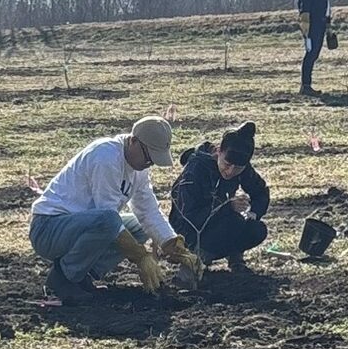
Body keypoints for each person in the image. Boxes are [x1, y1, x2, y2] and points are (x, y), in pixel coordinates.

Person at [29, 116, 204, 305]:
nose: (149, 164)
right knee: (110, 221)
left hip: (78, 227)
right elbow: (107, 216)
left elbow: (148, 211)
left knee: (138, 227)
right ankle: (62, 279)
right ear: (134, 141)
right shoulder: (105, 156)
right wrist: (140, 256)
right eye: (148, 157)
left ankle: (84, 275)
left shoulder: (139, 169)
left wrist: (172, 245)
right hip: (48, 229)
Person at [169, 122, 270, 274]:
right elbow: (188, 217)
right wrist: (227, 206)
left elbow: (260, 192)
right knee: (234, 223)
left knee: (256, 229)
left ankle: (235, 256)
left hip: (219, 222)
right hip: (189, 229)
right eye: (227, 164)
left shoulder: (240, 166)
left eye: (238, 168)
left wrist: (253, 214)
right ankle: (196, 258)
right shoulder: (195, 170)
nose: (230, 172)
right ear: (218, 151)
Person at [296, 0, 335, 96]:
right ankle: (305, 85)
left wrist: (328, 24)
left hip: (320, 23)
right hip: (312, 24)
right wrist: (305, 21)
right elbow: (304, 2)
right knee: (311, 53)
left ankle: (307, 84)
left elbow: (327, 6)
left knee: (315, 53)